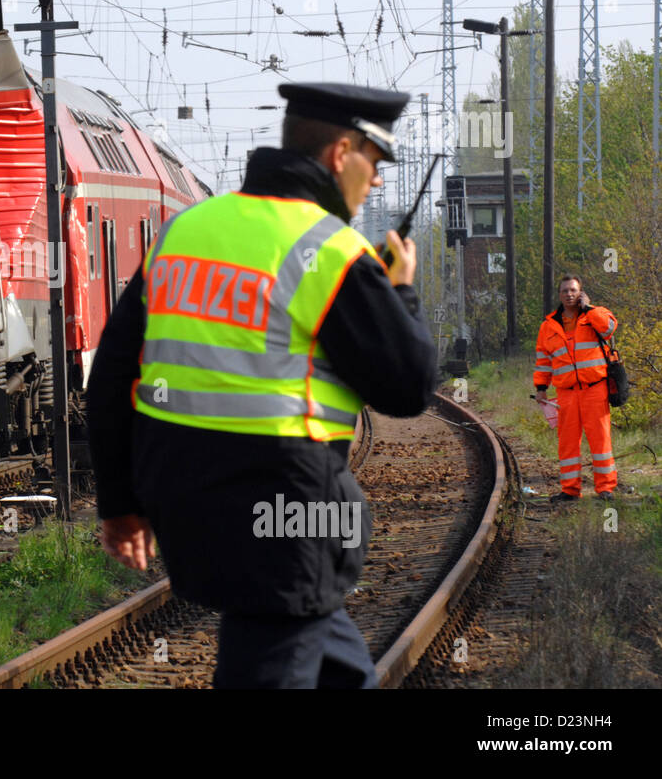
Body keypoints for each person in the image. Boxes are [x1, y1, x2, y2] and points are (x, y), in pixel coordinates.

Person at [87, 82, 436, 689]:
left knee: (328, 654)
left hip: (187, 506)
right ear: (340, 154)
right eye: (375, 163)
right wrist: (400, 290)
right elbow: (408, 388)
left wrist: (120, 505)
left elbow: (113, 375)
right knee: (274, 654)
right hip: (287, 512)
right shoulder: (328, 250)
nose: (377, 181)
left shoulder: (185, 231)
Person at [533, 275, 618, 502]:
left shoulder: (594, 315)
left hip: (595, 389)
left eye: (573, 290)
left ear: (580, 292)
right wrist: (541, 387)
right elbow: (543, 360)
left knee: (600, 440)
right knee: (568, 443)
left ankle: (606, 488)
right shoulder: (548, 325)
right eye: (565, 291)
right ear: (559, 295)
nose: (569, 294)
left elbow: (609, 329)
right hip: (566, 393)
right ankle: (570, 490)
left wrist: (589, 307)